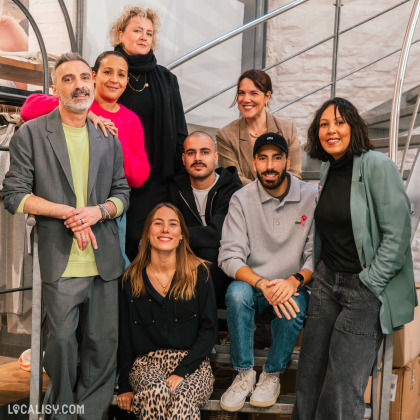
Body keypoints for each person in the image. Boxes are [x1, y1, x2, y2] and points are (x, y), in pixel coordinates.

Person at [2, 52, 130, 419]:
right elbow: (13, 195)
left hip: (104, 259)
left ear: (92, 81)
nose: (79, 85)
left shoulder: (107, 136)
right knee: (59, 345)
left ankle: (90, 414)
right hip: (61, 260)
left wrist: (98, 211)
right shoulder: (32, 134)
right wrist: (67, 213)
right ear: (55, 88)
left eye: (83, 78)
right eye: (68, 79)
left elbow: (122, 193)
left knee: (102, 346)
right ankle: (61, 412)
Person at [291, 97, 418, 420]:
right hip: (326, 282)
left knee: (341, 385)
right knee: (309, 376)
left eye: (339, 122)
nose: (331, 130)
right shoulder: (328, 167)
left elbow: (398, 233)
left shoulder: (377, 165)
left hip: (362, 289)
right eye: (323, 124)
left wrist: (370, 282)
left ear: (354, 127)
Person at [20, 50, 150, 266]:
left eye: (121, 74)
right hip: (67, 207)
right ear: (94, 76)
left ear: (127, 80)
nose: (114, 80)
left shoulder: (131, 120)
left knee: (114, 270)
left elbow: (139, 177)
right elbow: (29, 108)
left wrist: (114, 145)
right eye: (107, 72)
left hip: (108, 210)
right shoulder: (78, 100)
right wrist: (86, 112)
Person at [218, 132, 316, 412]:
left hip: (291, 288)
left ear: (287, 160)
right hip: (254, 287)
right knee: (236, 293)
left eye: (276, 157)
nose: (269, 165)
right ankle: (244, 373)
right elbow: (229, 255)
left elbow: (315, 255)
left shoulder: (311, 196)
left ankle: (271, 374)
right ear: (253, 162)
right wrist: (262, 283)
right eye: (263, 158)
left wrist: (294, 281)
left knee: (294, 305)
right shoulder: (241, 199)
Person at [116, 203, 217, 419]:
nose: (165, 230)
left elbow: (209, 331)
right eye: (158, 223)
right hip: (146, 364)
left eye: (173, 224)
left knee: (182, 398)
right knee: (156, 392)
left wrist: (182, 371)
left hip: (193, 364)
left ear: (181, 235)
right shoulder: (131, 278)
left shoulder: (199, 273)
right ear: (147, 233)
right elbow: (124, 336)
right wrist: (124, 384)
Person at [109, 5, 188, 260]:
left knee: (145, 244)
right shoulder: (107, 74)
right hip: (112, 176)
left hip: (155, 178)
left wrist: (177, 178)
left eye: (149, 33)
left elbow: (179, 133)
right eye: (137, 30)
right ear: (120, 35)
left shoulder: (166, 79)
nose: (144, 36)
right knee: (117, 244)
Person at [168, 131, 242, 308]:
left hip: (223, 264)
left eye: (204, 152)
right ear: (184, 159)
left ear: (216, 157)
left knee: (209, 255)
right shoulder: (174, 188)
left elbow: (218, 234)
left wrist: (176, 235)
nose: (197, 158)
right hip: (183, 259)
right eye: (191, 153)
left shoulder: (232, 189)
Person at [216, 69, 302, 185]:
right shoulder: (226, 135)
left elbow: (294, 175)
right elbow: (234, 179)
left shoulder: (288, 129)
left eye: (253, 93)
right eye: (241, 93)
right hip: (245, 201)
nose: (246, 99)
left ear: (267, 96)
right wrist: (269, 191)